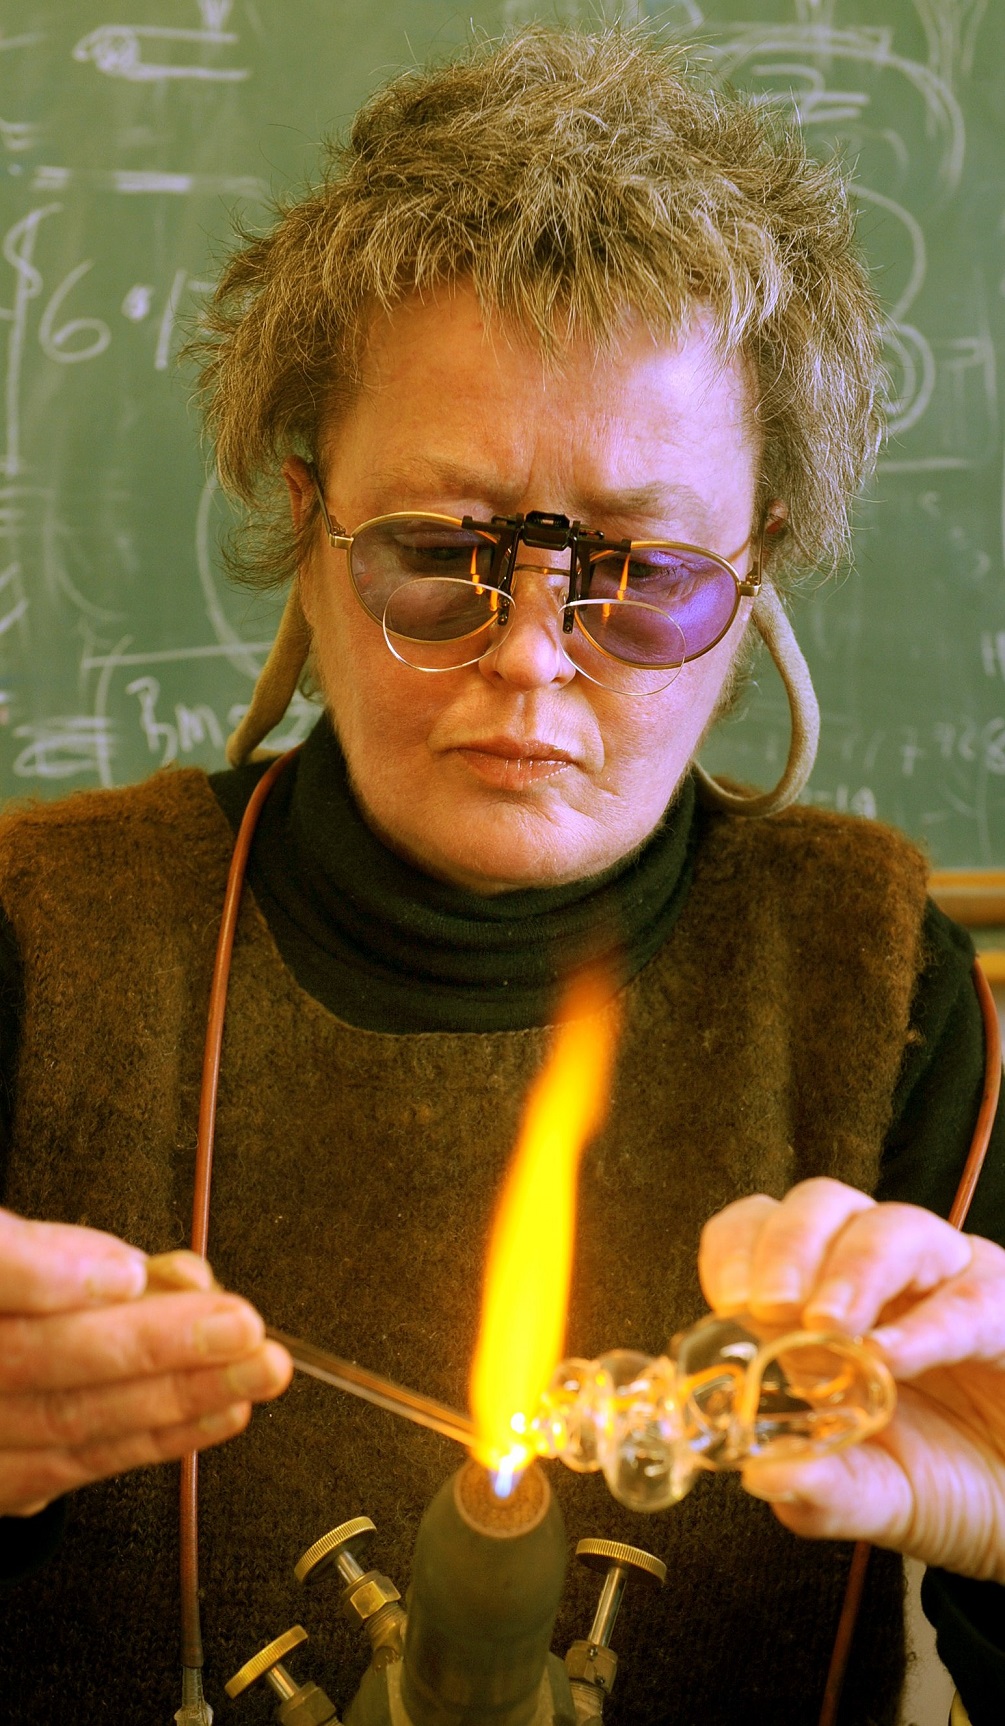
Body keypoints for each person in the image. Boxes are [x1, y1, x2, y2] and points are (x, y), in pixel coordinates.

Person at [0, 25, 1002, 1726]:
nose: (531, 658)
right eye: (439, 557)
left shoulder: (874, 983)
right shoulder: (38, 930)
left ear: (755, 572)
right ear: (311, 533)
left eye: (642, 575)